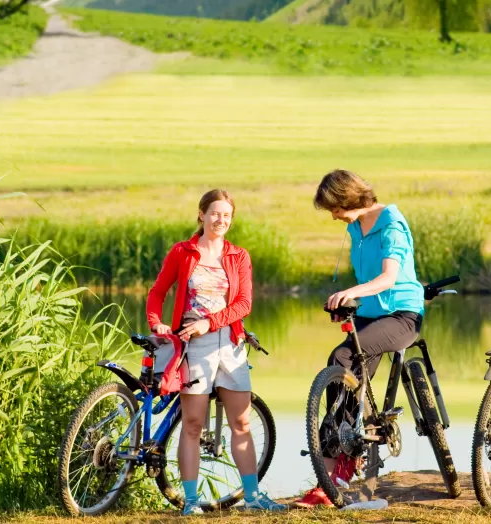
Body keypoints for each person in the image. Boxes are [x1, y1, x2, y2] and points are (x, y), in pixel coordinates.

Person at [146, 189, 285, 514]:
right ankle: (190, 502)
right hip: (194, 346)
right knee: (193, 424)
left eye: (226, 215)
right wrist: (157, 323)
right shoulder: (183, 252)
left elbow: (244, 304)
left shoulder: (239, 256)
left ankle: (252, 498)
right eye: (215, 214)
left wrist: (211, 323)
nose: (220, 220)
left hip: (231, 343)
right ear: (201, 215)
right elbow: (158, 292)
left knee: (241, 422)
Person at [294, 169, 425, 509]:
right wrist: (348, 303)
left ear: (347, 199)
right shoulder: (356, 228)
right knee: (339, 363)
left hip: (401, 315)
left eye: (334, 208)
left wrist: (350, 292)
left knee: (345, 357)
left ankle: (341, 459)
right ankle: (335, 468)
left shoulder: (391, 224)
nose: (334, 216)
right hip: (369, 314)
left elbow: (388, 278)